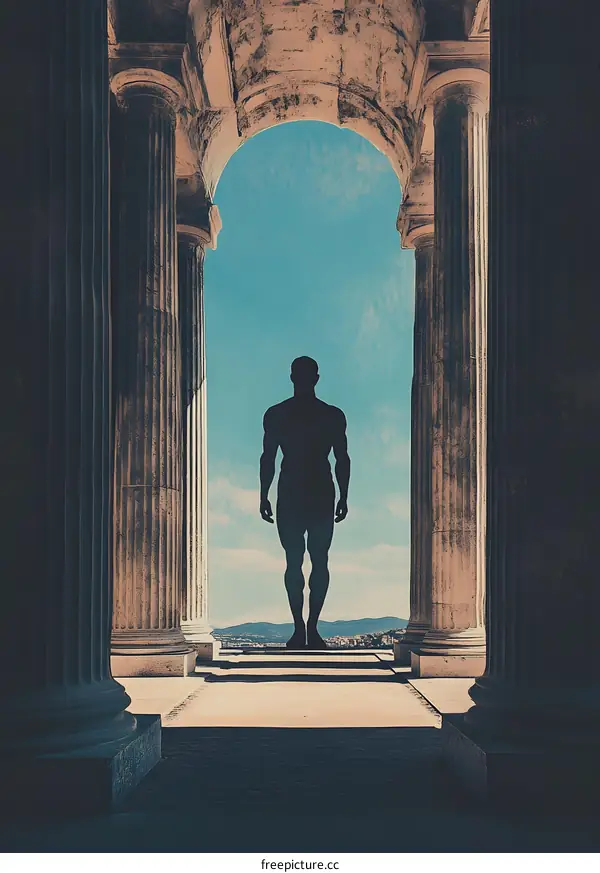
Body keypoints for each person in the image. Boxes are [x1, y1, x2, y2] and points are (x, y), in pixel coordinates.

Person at [259, 356, 350, 649]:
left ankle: (304, 628)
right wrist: (344, 495)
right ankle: (307, 628)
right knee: (313, 561)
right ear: (317, 378)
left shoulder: (278, 414)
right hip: (317, 491)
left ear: (292, 377)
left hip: (297, 491)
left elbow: (269, 458)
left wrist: (264, 493)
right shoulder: (331, 415)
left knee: (297, 562)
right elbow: (341, 459)